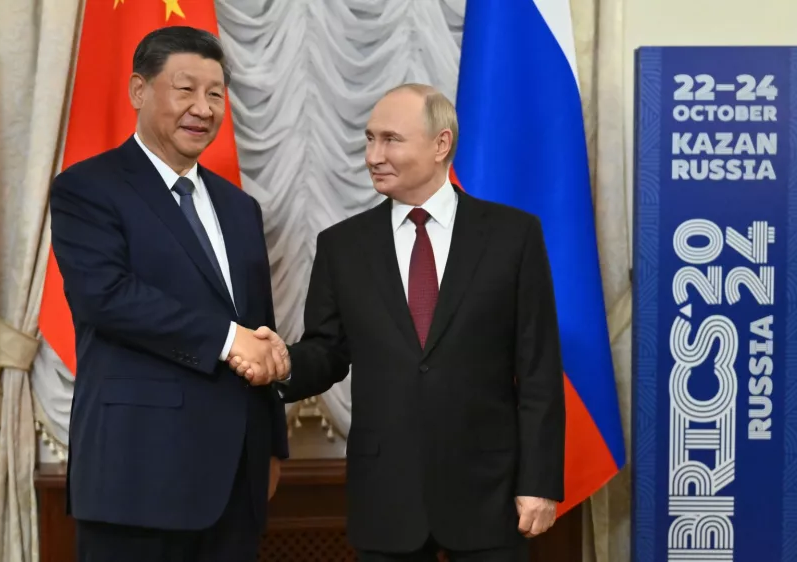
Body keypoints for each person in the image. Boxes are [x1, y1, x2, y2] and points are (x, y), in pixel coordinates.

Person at [232, 84, 565, 562]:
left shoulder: (514, 236)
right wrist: (285, 362)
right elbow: (328, 351)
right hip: (386, 496)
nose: (373, 156)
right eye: (369, 139)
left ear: (441, 144)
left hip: (490, 493)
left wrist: (539, 482)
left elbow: (538, 372)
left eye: (390, 139)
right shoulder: (342, 246)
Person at [49, 26, 290, 562]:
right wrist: (226, 339)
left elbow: (259, 325)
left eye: (215, 94)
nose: (203, 108)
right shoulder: (87, 188)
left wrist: (272, 443)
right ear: (139, 90)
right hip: (138, 476)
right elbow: (105, 296)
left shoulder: (239, 207)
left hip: (237, 478)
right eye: (185, 90)